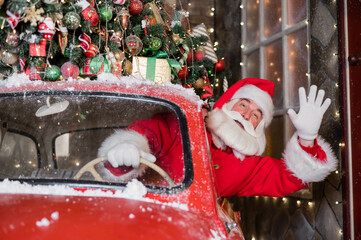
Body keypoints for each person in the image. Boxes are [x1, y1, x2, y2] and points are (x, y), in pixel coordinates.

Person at [97, 78, 337, 197]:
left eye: (256, 114)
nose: (246, 114)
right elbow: (151, 133)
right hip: (146, 213)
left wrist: (307, 138)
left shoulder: (250, 167)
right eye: (243, 104)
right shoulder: (185, 124)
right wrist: (128, 146)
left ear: (258, 127)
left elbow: (289, 177)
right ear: (227, 104)